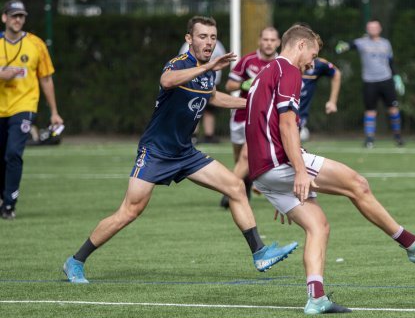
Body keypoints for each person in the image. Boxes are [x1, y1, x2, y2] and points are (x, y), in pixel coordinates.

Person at [62, 16, 297, 284]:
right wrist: (207, 66)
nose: (208, 42)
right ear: (189, 39)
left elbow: (213, 96)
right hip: (156, 152)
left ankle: (260, 253)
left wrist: (253, 104)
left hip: (185, 152)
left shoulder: (208, 71)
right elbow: (167, 81)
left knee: (234, 186)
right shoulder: (180, 64)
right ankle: (76, 261)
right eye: (202, 37)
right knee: (129, 211)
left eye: (212, 37)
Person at [247, 24, 415, 314]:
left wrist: (272, 181)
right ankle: (414, 245)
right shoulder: (290, 71)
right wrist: (298, 172)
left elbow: (256, 124)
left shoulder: (264, 74)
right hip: (281, 161)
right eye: (313, 55)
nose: (312, 63)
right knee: (357, 184)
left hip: (263, 170)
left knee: (318, 226)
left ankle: (316, 297)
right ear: (300, 45)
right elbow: (285, 125)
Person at [0, 0, 63, 220]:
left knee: (13, 154)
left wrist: (54, 111)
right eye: (14, 15)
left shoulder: (36, 44)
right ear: (4, 18)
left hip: (24, 106)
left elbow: (46, 79)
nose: (18, 20)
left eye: (21, 16)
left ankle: (9, 204)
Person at [219, 27, 280, 209]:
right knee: (240, 159)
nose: (269, 43)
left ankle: (228, 191)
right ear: (260, 41)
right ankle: (243, 185)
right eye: (266, 39)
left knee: (247, 155)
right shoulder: (247, 61)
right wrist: (244, 83)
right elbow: (229, 85)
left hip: (263, 119)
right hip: (240, 116)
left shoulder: (282, 63)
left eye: (272, 40)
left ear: (278, 42)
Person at [336, 19, 404, 148]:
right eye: (370, 27)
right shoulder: (361, 42)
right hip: (369, 82)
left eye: (375, 27)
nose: (373, 29)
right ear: (367, 29)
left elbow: (391, 61)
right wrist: (342, 46)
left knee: (393, 110)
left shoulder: (386, 43)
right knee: (370, 111)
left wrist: (397, 77)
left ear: (380, 29)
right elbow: (348, 46)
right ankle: (369, 140)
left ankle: (398, 137)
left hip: (386, 80)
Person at [179, 39, 227, 144]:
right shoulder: (187, 46)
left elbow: (222, 61)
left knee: (210, 109)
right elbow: (181, 63)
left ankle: (209, 135)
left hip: (211, 82)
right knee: (194, 108)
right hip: (193, 82)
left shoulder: (218, 45)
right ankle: (192, 135)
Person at [299, 57, 341, 141]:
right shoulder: (282, 62)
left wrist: (332, 101)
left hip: (300, 117)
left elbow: (336, 73)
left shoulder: (318, 64)